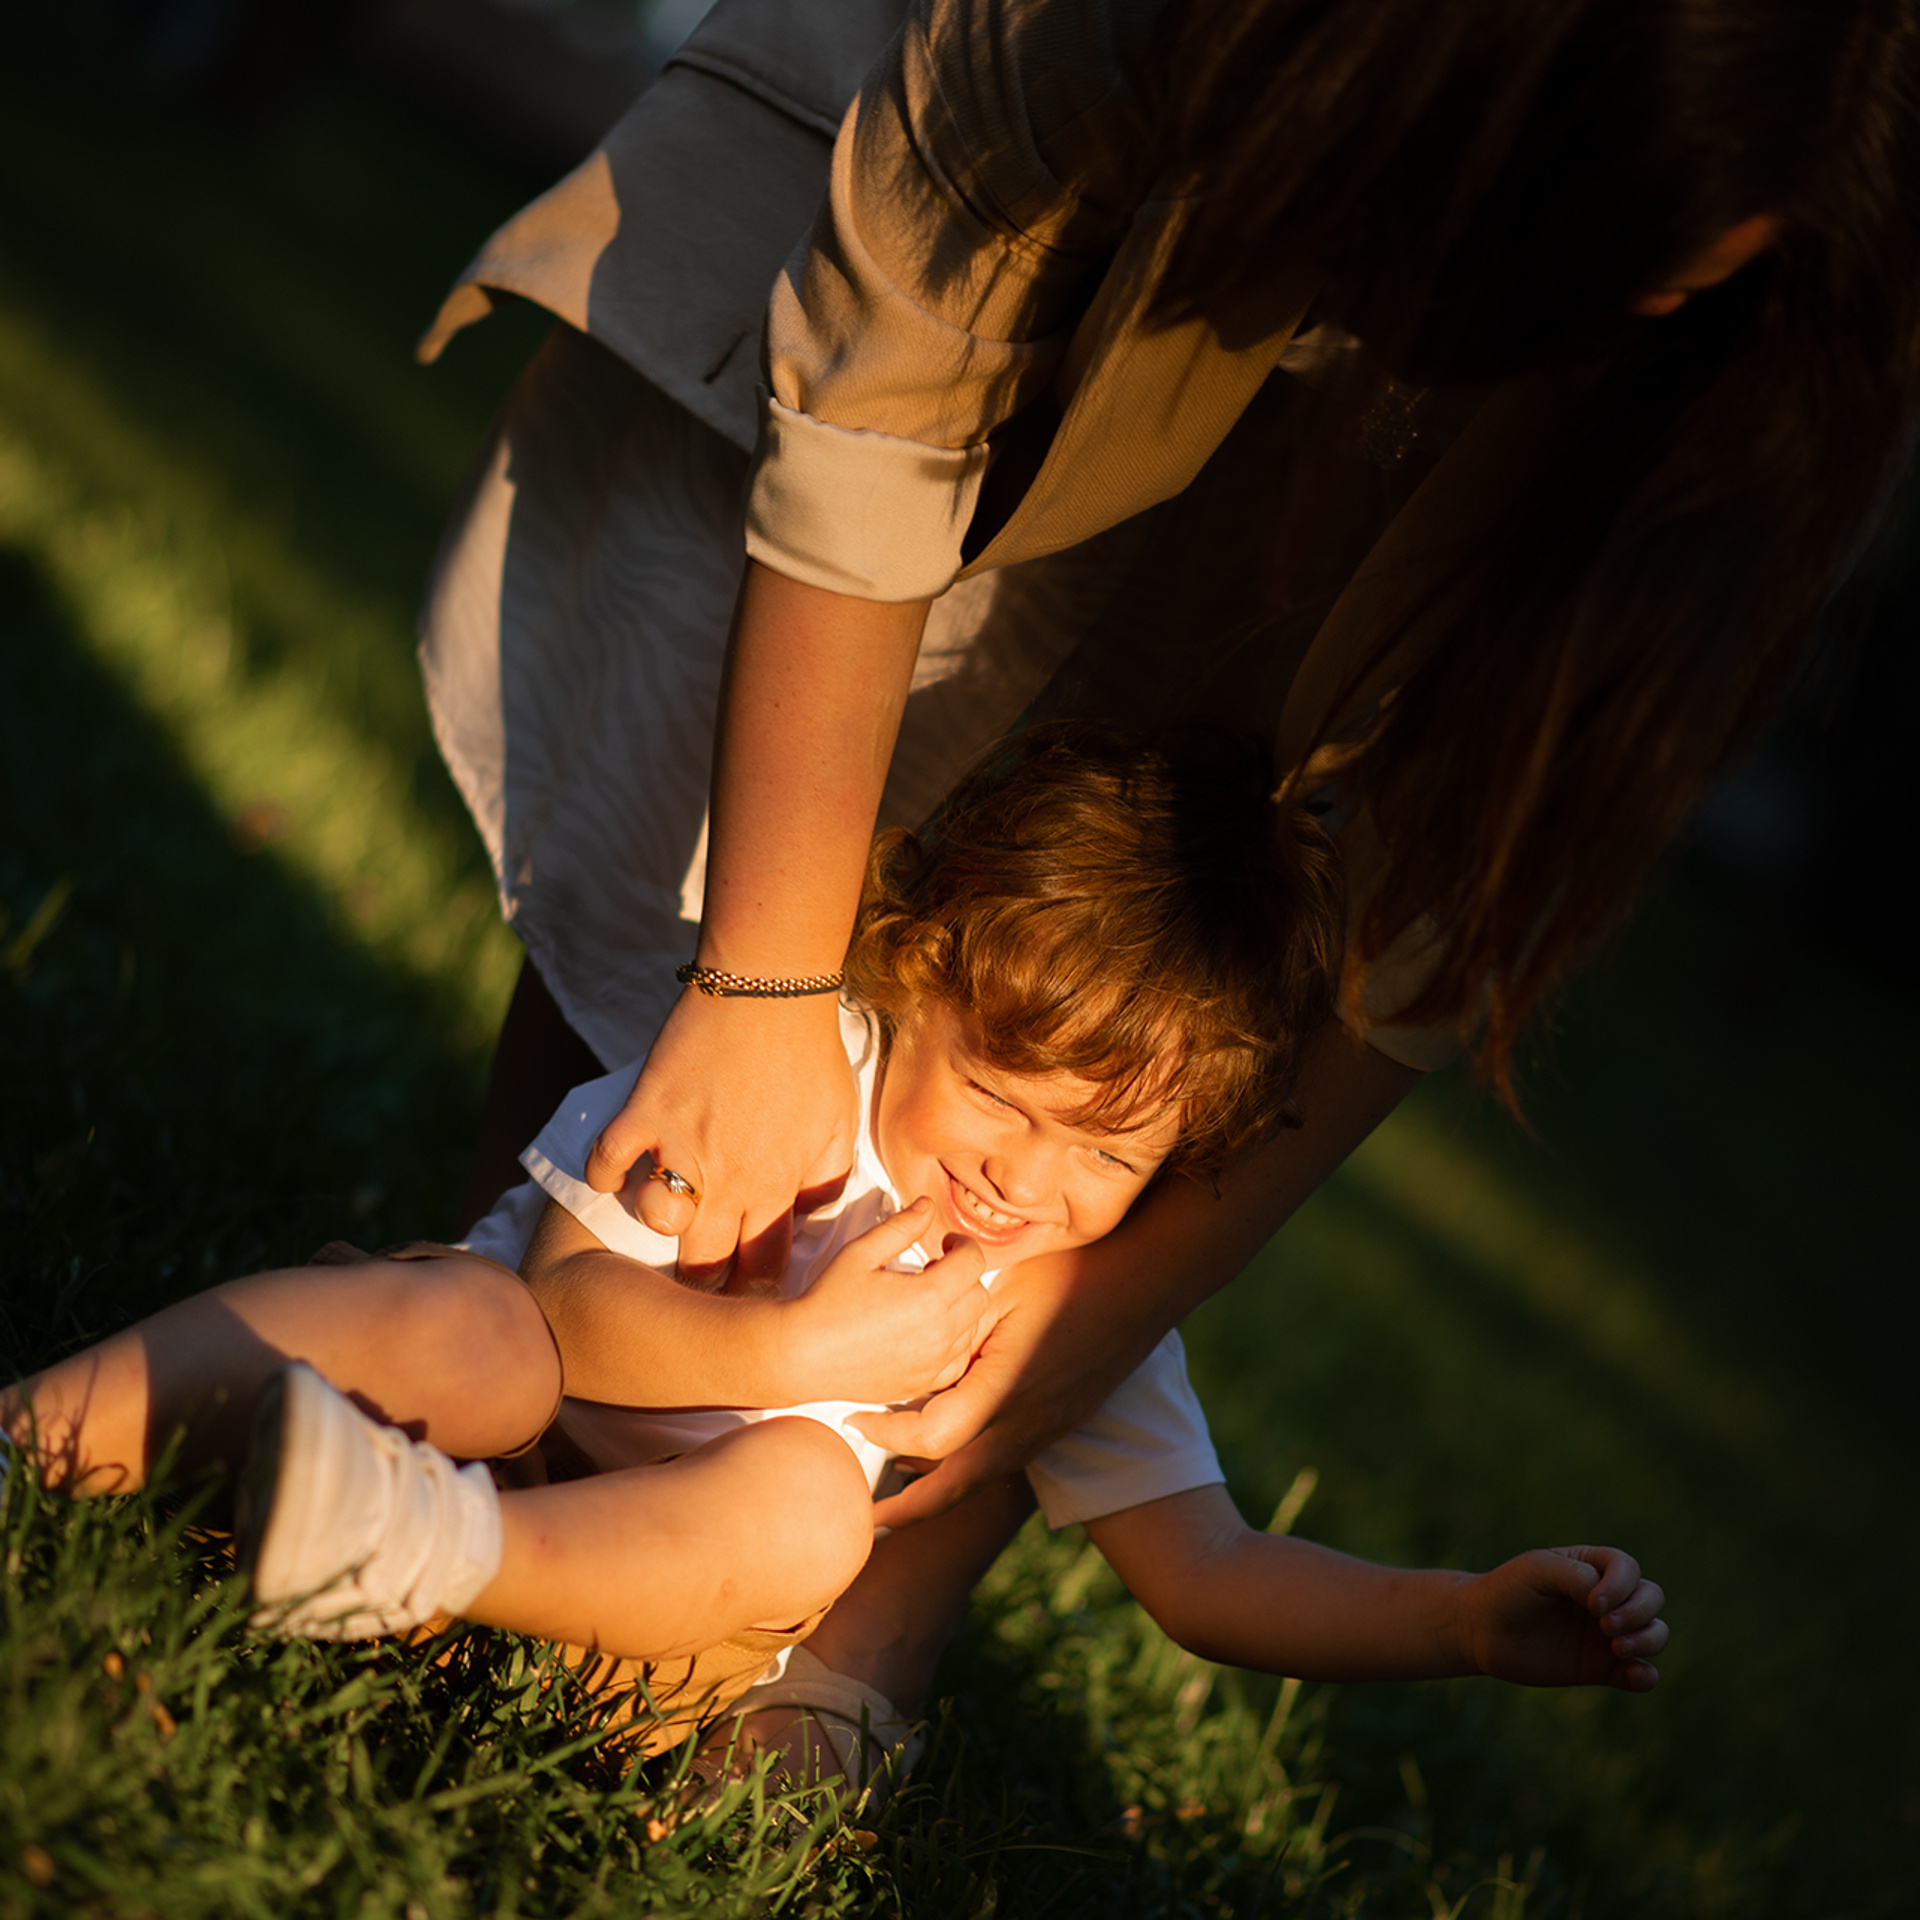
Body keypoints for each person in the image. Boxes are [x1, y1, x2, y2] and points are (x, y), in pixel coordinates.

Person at [412, 0, 1917, 1718]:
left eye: (1654, 297)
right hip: (1060, 198)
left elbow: (1205, 1568)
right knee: (670, 960)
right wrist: (755, 991)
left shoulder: (1733, 372)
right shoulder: (1123, 57)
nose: (1018, 1176)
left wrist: (1140, 1325)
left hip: (765, 1512)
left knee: (1177, 840)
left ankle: (844, 1598)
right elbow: (874, 409)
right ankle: (473, 1415)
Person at [0, 731, 1667, 1771]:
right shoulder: (798, 1100)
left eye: (1110, 1154)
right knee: (460, 1321)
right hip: (495, 1413)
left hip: (641, 1635)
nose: (1029, 1181)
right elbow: (578, 1326)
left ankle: (420, 1561)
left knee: (804, 1509)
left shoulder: (1061, 1308)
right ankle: (53, 1427)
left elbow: (1213, 1575)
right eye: (1008, 1100)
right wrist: (798, 1356)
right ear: (909, 966)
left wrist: (1455, 1624)